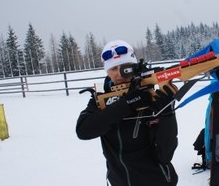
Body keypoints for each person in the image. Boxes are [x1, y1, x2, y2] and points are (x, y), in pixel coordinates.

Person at [76, 40, 178, 186]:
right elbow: (83, 131)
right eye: (113, 69)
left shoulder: (149, 94)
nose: (119, 74)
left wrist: (167, 114)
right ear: (107, 71)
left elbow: (165, 155)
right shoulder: (100, 97)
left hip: (158, 180)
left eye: (125, 68)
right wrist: (127, 104)